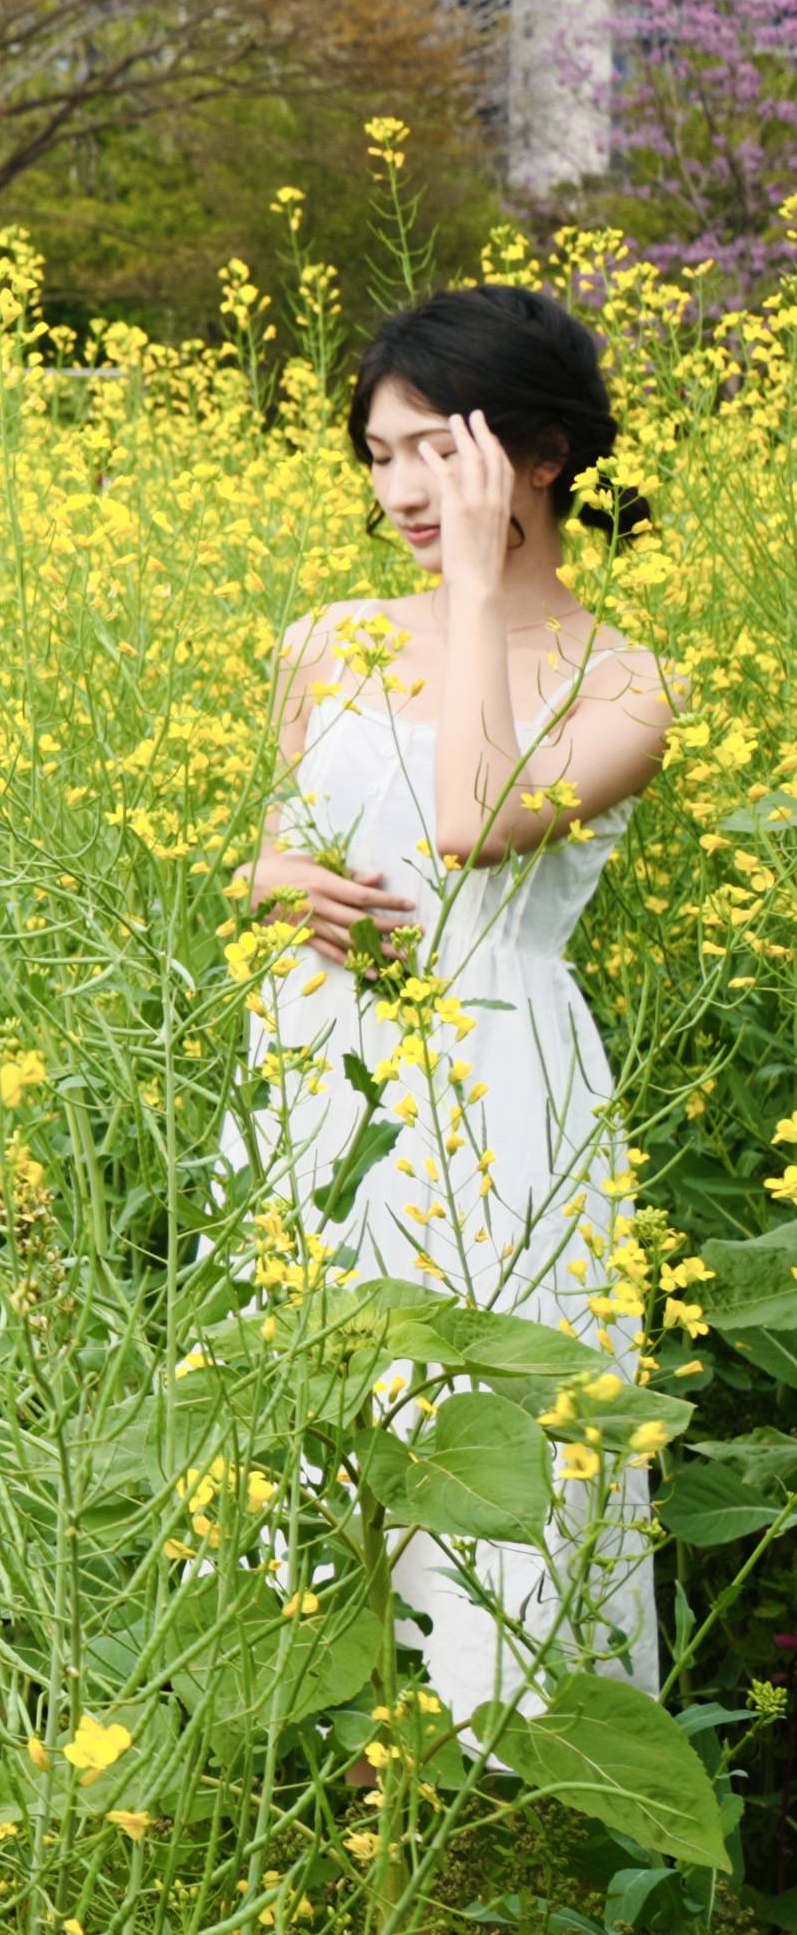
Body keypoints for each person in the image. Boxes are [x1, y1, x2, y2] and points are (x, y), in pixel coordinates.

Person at [234, 284, 679, 1727]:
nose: (398, 490)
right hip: (316, 1070)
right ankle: (315, 1784)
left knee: (494, 1438)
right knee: (311, 1423)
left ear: (536, 454)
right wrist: (279, 887)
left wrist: (480, 594)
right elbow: (268, 848)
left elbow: (473, 819)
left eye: (433, 449)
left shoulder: (631, 684)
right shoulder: (322, 638)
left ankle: (505, 1794)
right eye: (377, 454)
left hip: (500, 1086)